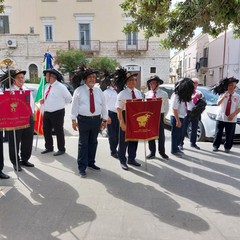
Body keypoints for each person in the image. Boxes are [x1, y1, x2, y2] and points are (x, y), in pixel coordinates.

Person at [71, 68, 108, 178]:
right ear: (86, 79)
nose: (92, 79)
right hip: (83, 120)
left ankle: (91, 162)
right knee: (83, 144)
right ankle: (82, 167)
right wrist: (73, 120)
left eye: (93, 77)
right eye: (90, 77)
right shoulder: (79, 91)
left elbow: (104, 106)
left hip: (96, 120)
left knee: (93, 142)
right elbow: (74, 107)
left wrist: (104, 119)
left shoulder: (98, 91)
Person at [6, 70, 35, 171]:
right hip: (15, 120)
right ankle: (15, 162)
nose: (21, 79)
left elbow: (31, 103)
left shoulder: (26, 89)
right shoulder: (9, 91)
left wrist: (33, 114)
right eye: (19, 78)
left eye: (22, 77)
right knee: (14, 141)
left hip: (28, 118)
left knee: (28, 140)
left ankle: (25, 159)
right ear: (13, 80)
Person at [40, 69, 72, 156]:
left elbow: (69, 98)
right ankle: (49, 147)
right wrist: (43, 100)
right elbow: (47, 97)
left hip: (58, 112)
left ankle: (61, 149)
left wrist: (61, 104)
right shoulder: (47, 86)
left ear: (52, 77)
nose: (45, 77)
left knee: (59, 131)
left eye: (47, 75)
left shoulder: (61, 87)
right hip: (47, 112)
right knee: (46, 130)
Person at [116, 72, 142, 170]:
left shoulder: (139, 92)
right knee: (124, 141)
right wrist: (122, 123)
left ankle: (132, 158)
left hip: (136, 119)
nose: (132, 82)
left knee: (134, 140)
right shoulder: (122, 94)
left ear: (135, 81)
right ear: (126, 82)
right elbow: (119, 109)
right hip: (125, 118)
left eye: (133, 80)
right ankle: (122, 160)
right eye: (129, 80)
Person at [212, 77, 240, 153]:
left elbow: (239, 108)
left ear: (234, 87)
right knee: (218, 133)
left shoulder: (237, 96)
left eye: (231, 85)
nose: (230, 87)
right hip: (221, 117)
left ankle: (227, 147)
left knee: (229, 135)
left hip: (231, 118)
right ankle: (215, 146)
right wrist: (223, 97)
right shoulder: (223, 94)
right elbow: (218, 103)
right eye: (229, 85)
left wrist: (233, 115)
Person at [145, 75, 169, 160]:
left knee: (161, 136)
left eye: (153, 83)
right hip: (150, 116)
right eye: (150, 83)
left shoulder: (164, 94)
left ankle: (162, 152)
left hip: (159, 115)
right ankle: (152, 152)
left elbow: (166, 107)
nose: (151, 85)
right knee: (150, 135)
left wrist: (163, 115)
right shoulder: (147, 94)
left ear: (158, 84)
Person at [170, 78, 194, 157]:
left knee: (179, 134)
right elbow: (175, 109)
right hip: (177, 117)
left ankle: (176, 148)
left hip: (182, 116)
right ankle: (174, 150)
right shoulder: (177, 96)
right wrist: (177, 121)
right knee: (175, 135)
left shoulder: (182, 96)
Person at [179, 77, 202, 150]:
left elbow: (202, 100)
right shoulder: (188, 91)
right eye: (194, 84)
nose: (195, 85)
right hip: (187, 111)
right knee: (184, 128)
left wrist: (200, 97)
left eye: (196, 84)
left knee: (194, 128)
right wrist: (194, 97)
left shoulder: (198, 91)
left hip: (195, 111)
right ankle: (180, 143)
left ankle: (193, 143)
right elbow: (186, 100)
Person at [103, 76, 119, 159]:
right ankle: (113, 151)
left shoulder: (121, 90)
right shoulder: (106, 92)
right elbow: (103, 105)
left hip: (120, 114)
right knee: (112, 135)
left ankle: (118, 150)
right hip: (111, 114)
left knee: (119, 135)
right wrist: (106, 116)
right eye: (113, 81)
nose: (114, 82)